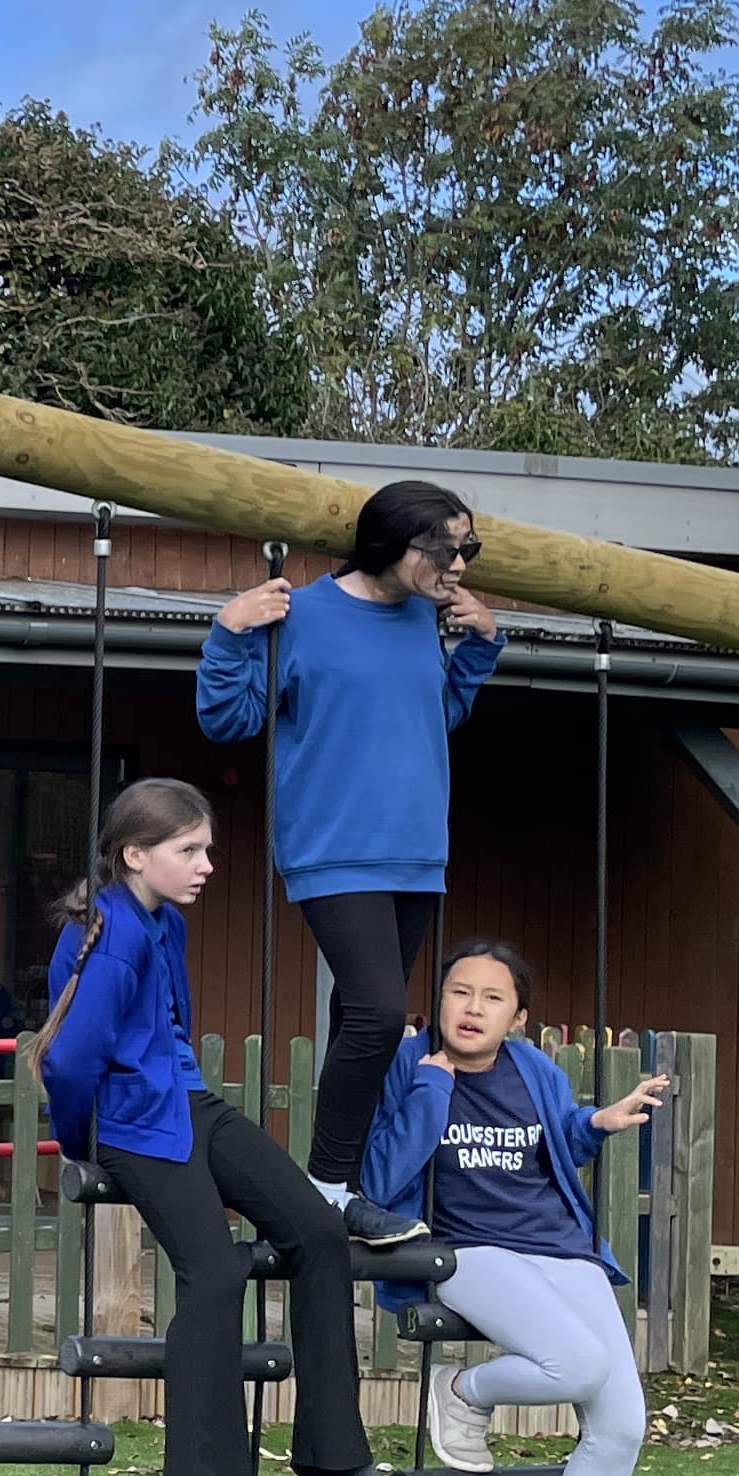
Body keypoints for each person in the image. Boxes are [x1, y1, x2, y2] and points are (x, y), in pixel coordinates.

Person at [35, 777, 415, 1476]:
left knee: (316, 1230)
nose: (207, 864)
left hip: (188, 1104)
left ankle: (332, 1455)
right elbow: (66, 1059)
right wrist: (80, 1142)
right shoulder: (109, 933)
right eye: (189, 850)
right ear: (136, 855)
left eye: (206, 848)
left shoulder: (160, 919)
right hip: (134, 1124)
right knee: (214, 1272)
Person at [194, 481, 503, 1244]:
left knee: (358, 1023)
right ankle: (329, 1188)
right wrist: (231, 631)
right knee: (376, 1013)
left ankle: (346, 1182)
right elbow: (227, 718)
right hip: (336, 850)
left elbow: (432, 716)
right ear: (387, 544)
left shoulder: (424, 624)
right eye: (442, 548)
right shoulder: (305, 616)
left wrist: (481, 650)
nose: (457, 564)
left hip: (418, 856)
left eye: (468, 547)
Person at [358, 938, 670, 1476]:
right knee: (579, 1364)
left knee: (624, 1422)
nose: (472, 1009)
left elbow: (553, 1141)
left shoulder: (534, 1068)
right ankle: (462, 1392)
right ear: (439, 1003)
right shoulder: (412, 1066)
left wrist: (595, 1123)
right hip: (469, 1250)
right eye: (459, 993)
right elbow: (381, 1174)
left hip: (561, 1248)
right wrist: (431, 1092)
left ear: (518, 1016)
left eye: (491, 998)